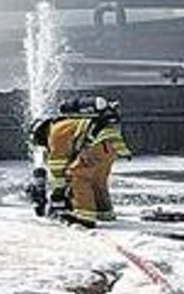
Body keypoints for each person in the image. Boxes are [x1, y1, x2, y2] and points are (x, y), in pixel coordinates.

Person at [34, 97, 132, 226]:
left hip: (99, 144)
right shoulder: (67, 124)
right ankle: (104, 212)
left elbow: (58, 167)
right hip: (111, 144)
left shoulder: (55, 133)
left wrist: (58, 194)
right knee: (97, 180)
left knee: (78, 175)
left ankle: (85, 217)